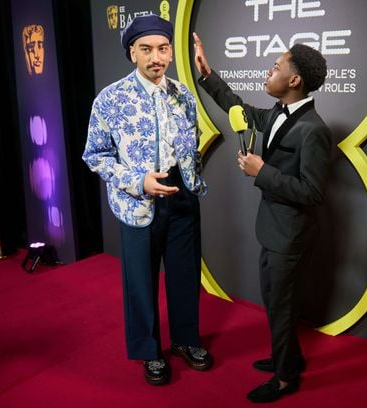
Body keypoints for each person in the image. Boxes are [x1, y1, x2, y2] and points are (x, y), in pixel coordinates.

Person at [193, 33, 333, 402]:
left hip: (291, 235)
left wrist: (261, 171)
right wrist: (209, 77)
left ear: (295, 80)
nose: (268, 73)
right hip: (274, 230)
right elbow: (238, 108)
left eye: (275, 68)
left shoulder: (314, 130)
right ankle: (290, 358)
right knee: (276, 301)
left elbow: (313, 193)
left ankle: (287, 377)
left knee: (281, 305)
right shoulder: (277, 114)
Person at [82, 14, 212, 386]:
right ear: (131, 53)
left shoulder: (182, 93)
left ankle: (186, 340)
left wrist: (189, 176)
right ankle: (147, 349)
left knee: (186, 274)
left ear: (171, 50)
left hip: (182, 194)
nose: (156, 57)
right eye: (146, 49)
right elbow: (95, 155)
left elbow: (192, 139)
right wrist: (138, 180)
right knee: (140, 279)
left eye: (163, 48)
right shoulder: (110, 99)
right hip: (138, 200)